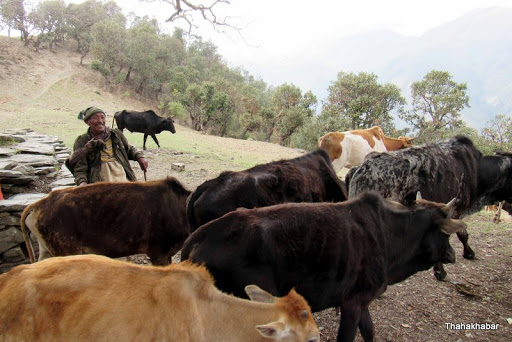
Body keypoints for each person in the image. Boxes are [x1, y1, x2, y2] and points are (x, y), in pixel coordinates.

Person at [69, 106, 148, 186]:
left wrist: (139, 157)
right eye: (95, 118)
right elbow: (80, 168)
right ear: (88, 122)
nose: (100, 121)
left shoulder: (115, 134)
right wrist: (82, 183)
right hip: (99, 182)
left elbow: (128, 149)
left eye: (102, 117)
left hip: (121, 176)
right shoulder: (82, 141)